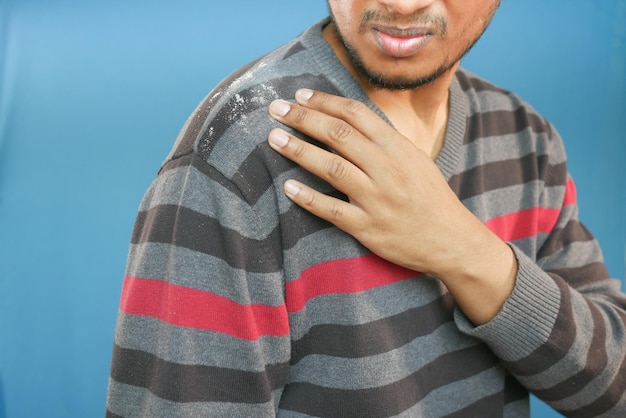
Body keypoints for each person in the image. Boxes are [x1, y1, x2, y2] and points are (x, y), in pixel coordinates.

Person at [107, 1, 626, 416]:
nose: (402, 4)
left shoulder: (527, 140)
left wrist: (466, 251)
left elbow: (613, 390)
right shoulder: (240, 156)